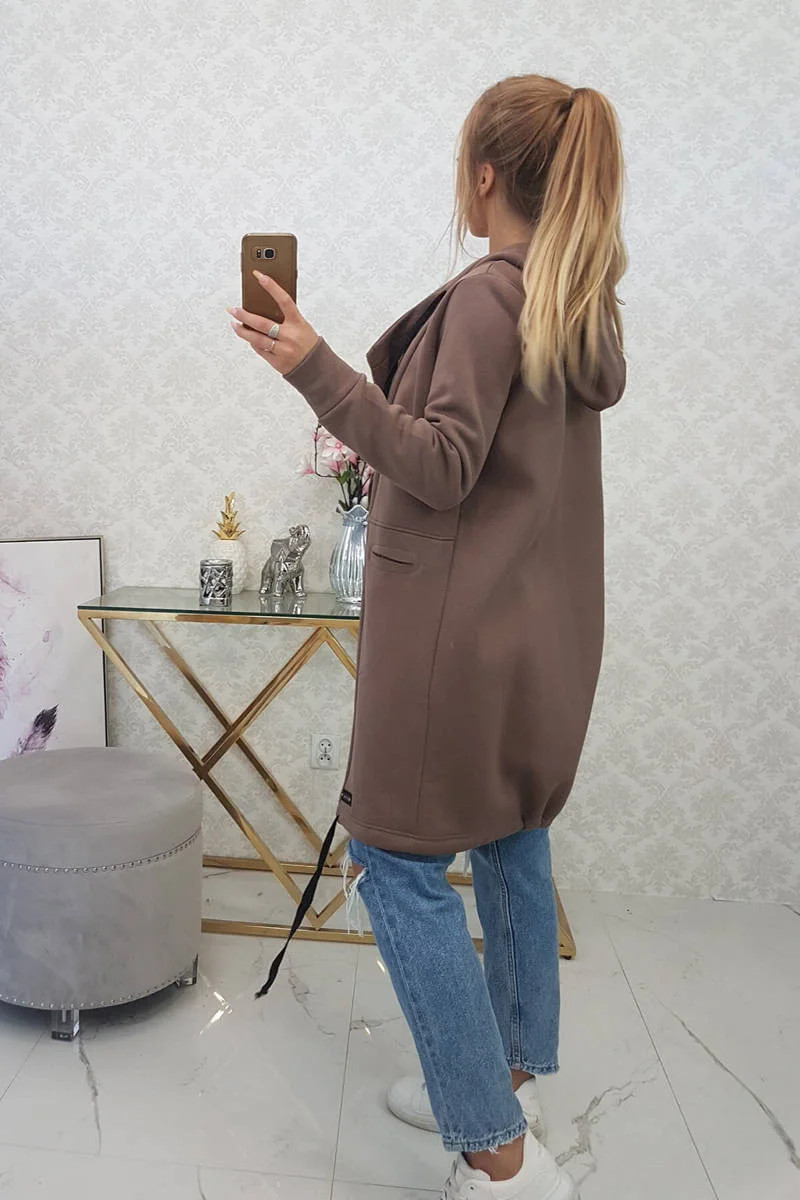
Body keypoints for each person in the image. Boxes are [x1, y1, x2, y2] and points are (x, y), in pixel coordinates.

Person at [228, 73, 627, 1200]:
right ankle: (508, 1083)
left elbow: (442, 463)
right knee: (508, 838)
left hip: (456, 641)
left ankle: (495, 1157)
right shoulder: (574, 302)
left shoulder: (494, 297)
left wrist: (311, 367)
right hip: (540, 640)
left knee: (392, 862)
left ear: (483, 174)